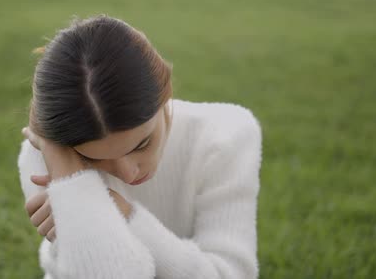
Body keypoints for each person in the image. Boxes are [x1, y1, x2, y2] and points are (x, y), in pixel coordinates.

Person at [17, 15, 262, 279]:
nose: (128, 173)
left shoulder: (225, 134)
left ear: (166, 90)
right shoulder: (46, 156)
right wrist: (74, 183)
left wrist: (123, 213)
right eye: (94, 159)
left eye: (142, 144)